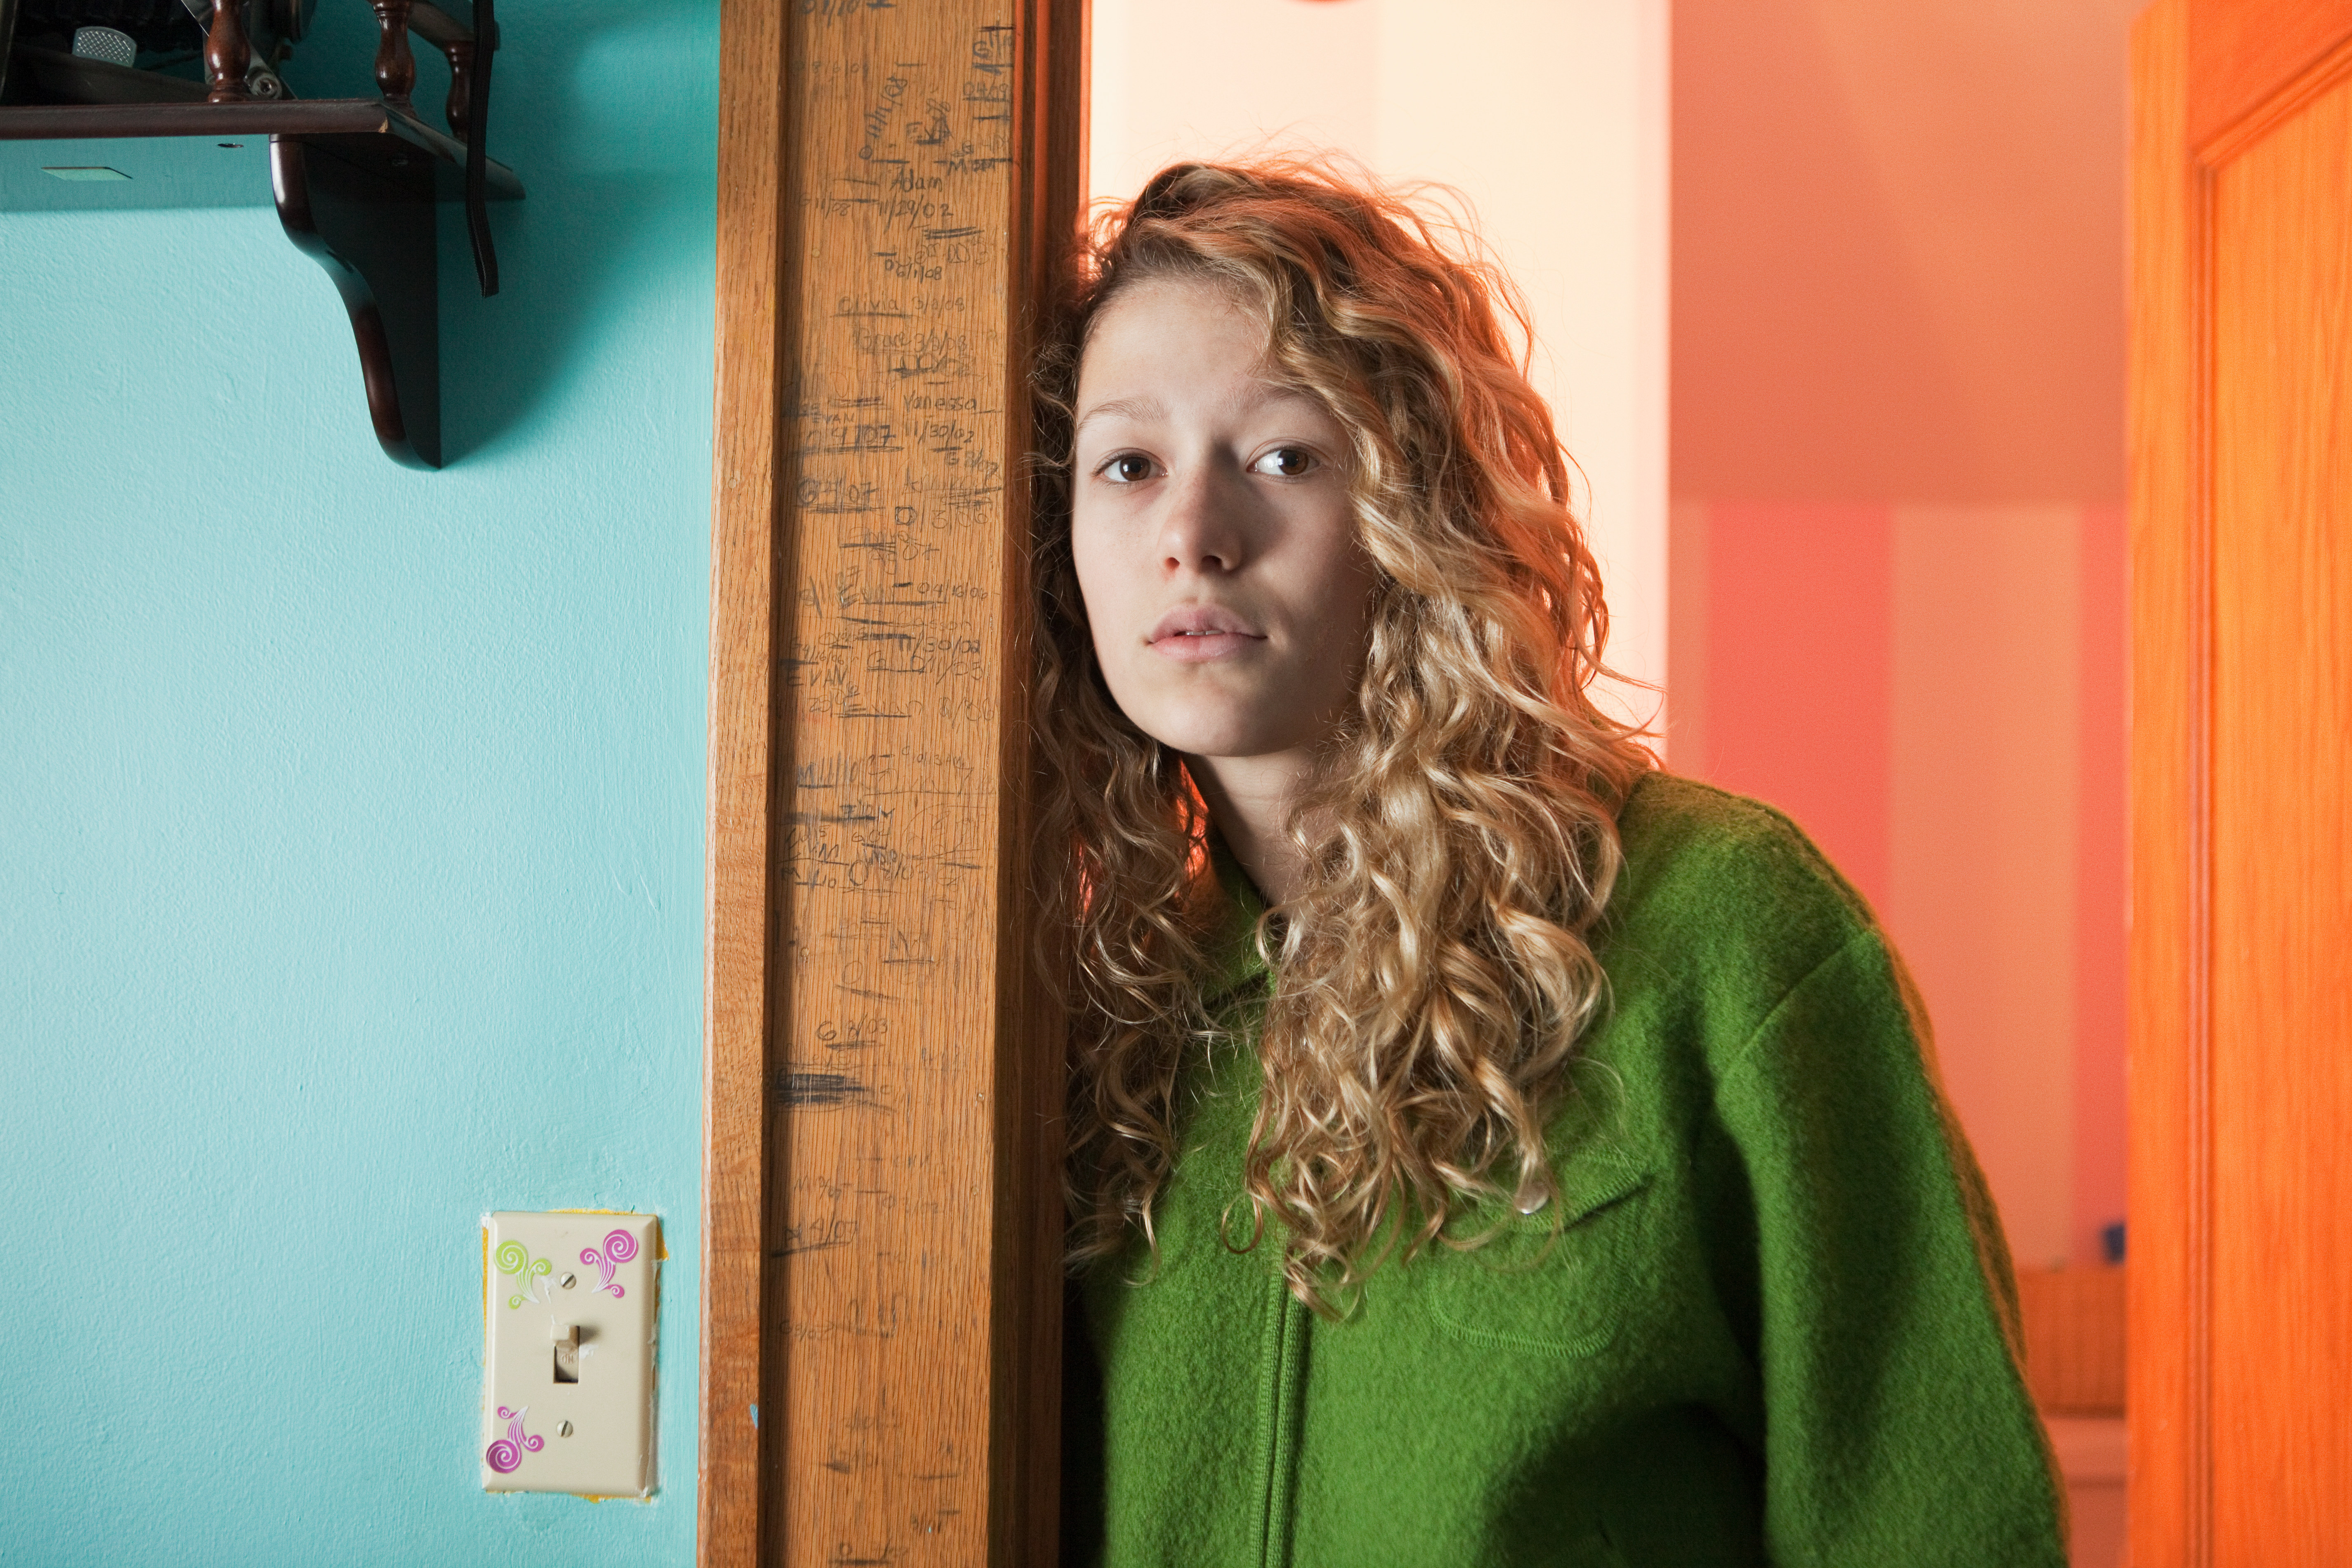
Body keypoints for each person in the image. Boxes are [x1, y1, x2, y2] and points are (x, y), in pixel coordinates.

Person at [1030, 159, 2066, 1568]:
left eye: (1284, 455)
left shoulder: (1719, 927)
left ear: (1420, 508)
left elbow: (1930, 1522)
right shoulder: (1095, 1019)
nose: (1193, 536)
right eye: (1128, 463)